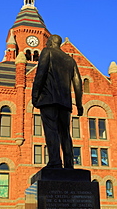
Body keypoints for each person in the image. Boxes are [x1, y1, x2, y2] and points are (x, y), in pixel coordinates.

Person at [32, 34, 83, 169]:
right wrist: (79, 104)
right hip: (65, 103)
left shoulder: (47, 52)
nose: (47, 43)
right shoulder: (70, 60)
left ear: (51, 42)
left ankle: (54, 161)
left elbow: (41, 73)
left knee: (51, 130)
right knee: (65, 133)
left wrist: (35, 95)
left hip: (49, 99)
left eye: (48, 41)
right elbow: (78, 83)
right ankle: (69, 163)